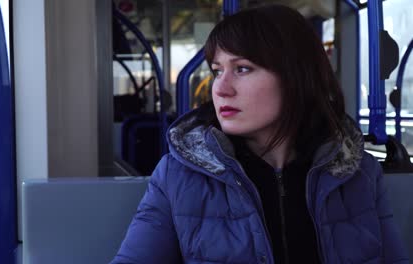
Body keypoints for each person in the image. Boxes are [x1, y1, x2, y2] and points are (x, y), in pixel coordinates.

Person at [111, 4, 409, 263]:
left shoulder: (358, 171)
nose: (221, 88)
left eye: (242, 69)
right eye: (217, 70)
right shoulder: (178, 175)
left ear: (296, 78)